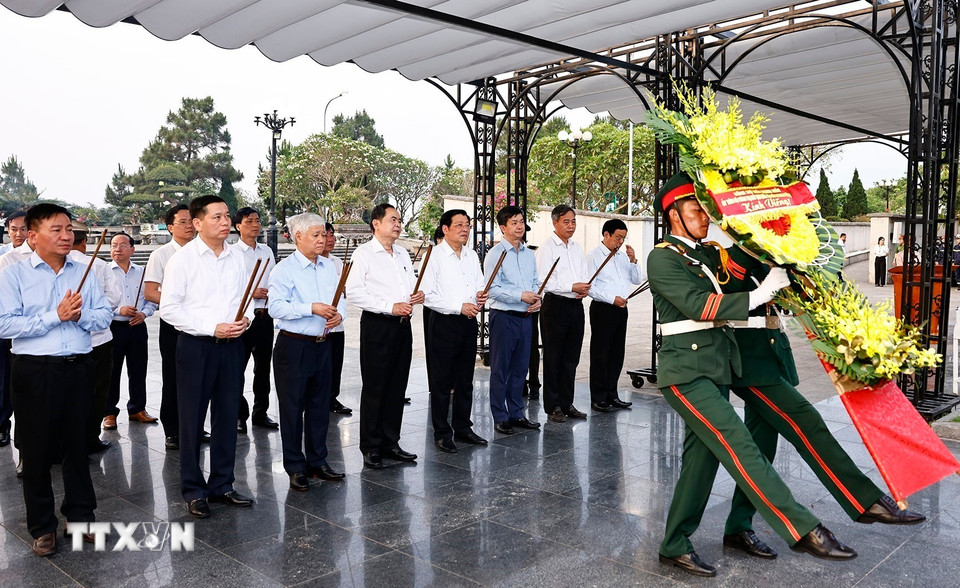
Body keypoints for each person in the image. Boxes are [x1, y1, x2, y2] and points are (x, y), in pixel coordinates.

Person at [648, 174, 855, 578]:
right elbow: (700, 305)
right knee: (739, 443)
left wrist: (766, 229)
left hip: (716, 368)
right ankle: (804, 528)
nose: (705, 218)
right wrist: (759, 297)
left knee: (701, 461)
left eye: (706, 211)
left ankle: (674, 543)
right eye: (696, 211)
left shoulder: (703, 253)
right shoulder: (663, 258)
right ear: (674, 215)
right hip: (684, 372)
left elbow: (734, 271)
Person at [720, 245, 924, 562]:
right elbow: (727, 296)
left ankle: (737, 526)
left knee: (762, 449)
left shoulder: (773, 252)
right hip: (748, 365)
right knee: (807, 421)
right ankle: (864, 500)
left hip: (771, 358)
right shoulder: (730, 254)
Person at [0, 203, 113, 556]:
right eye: (57, 229)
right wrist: (55, 316)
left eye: (69, 229)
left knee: (78, 446)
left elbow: (103, 315)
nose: (67, 236)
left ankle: (80, 518)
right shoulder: (13, 275)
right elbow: (6, 324)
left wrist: (78, 318)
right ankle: (42, 527)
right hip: (35, 371)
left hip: (79, 365)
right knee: (36, 451)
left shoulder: (84, 270)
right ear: (32, 236)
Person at [159, 195, 255, 519]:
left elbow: (247, 299)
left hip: (232, 346)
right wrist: (211, 327)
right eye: (217, 217)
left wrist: (246, 319)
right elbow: (169, 309)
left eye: (227, 216)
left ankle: (223, 484)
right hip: (197, 346)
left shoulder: (237, 257)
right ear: (198, 223)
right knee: (192, 421)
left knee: (228, 417)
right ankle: (194, 489)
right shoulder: (183, 260)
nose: (225, 222)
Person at [268, 213, 346, 491]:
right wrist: (309, 308)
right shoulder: (284, 270)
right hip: (294, 346)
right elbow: (275, 308)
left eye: (323, 234)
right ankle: (295, 466)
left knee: (319, 407)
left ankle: (318, 460)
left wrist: (340, 316)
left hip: (322, 344)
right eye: (316, 235)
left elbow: (341, 299)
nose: (322, 239)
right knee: (292, 408)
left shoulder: (328, 267)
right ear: (298, 237)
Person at [345, 203, 423, 469]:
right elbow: (354, 292)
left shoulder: (401, 253)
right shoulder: (364, 253)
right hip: (378, 325)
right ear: (376, 224)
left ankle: (391, 442)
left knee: (397, 386)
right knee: (376, 387)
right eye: (393, 219)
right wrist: (388, 306)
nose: (398, 224)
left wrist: (416, 294)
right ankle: (370, 446)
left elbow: (407, 285)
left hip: (403, 324)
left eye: (399, 220)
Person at [421, 209, 489, 453]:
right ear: (445, 229)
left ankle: (463, 426)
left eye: (468, 225)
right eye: (459, 225)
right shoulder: (434, 256)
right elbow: (428, 296)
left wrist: (480, 295)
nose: (465, 229)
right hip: (444, 321)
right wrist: (458, 306)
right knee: (441, 381)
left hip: (468, 321)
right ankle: (441, 431)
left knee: (465, 379)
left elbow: (479, 283)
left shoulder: (471, 255)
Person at [145, 203, 204, 451]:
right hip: (173, 325)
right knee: (173, 378)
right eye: (183, 222)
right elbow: (150, 292)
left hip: (200, 325)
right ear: (170, 227)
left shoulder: (203, 252)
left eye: (191, 221)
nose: (189, 225)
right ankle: (172, 431)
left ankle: (195, 427)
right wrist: (180, 304)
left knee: (199, 379)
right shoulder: (161, 255)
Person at [485, 205, 542, 435]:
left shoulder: (529, 254)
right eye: (514, 223)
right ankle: (500, 415)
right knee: (501, 368)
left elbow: (535, 281)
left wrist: (537, 298)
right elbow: (491, 290)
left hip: (526, 317)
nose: (520, 226)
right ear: (502, 228)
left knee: (520, 368)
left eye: (521, 222)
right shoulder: (495, 254)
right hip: (504, 317)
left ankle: (517, 413)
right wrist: (520, 295)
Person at [69, 221, 124, 454]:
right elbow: (114, 298)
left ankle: (67, 441)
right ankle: (90, 438)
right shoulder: (99, 265)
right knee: (97, 390)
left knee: (70, 393)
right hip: (98, 339)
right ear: (84, 242)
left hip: (70, 341)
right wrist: (96, 314)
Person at [536, 205, 591, 423]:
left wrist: (583, 289)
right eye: (566, 221)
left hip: (575, 306)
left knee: (571, 358)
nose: (571, 226)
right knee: (553, 357)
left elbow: (584, 275)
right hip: (555, 306)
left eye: (573, 221)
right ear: (555, 223)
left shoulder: (576, 248)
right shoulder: (547, 248)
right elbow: (543, 280)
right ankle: (553, 405)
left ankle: (567, 403)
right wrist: (571, 286)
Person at [586, 219, 643, 412]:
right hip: (604, 308)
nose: (620, 242)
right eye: (617, 237)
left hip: (621, 308)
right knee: (601, 354)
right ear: (606, 235)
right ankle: (598, 397)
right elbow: (590, 287)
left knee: (617, 353)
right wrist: (612, 299)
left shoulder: (621, 256)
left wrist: (633, 260)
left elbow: (635, 279)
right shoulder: (595, 255)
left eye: (623, 238)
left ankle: (612, 394)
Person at [106, 232, 159, 429]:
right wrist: (119, 310)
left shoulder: (143, 272)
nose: (117, 249)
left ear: (132, 249)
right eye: (113, 245)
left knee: (138, 369)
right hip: (113, 327)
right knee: (112, 371)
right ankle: (109, 412)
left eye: (122, 245)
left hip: (137, 326)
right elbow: (98, 302)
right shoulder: (104, 271)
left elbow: (150, 299)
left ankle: (137, 409)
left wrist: (143, 314)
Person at [232, 207, 278, 433]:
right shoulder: (231, 253)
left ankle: (261, 412)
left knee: (263, 367)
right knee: (237, 367)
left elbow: (275, 279)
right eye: (249, 221)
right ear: (238, 226)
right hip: (242, 318)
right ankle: (239, 415)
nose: (255, 224)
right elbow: (228, 288)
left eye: (258, 220)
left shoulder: (267, 251)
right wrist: (251, 294)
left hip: (264, 316)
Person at [0, 210, 25, 447]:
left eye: (23, 229)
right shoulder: (2, 255)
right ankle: (2, 425)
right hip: (5, 325)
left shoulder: (37, 255)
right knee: (3, 378)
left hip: (27, 329)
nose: (18, 234)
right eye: (13, 229)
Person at [322, 222, 351, 416]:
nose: (330, 239)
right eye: (326, 235)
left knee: (335, 363)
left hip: (337, 324)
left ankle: (332, 398)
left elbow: (345, 292)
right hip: (319, 323)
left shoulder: (337, 262)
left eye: (332, 235)